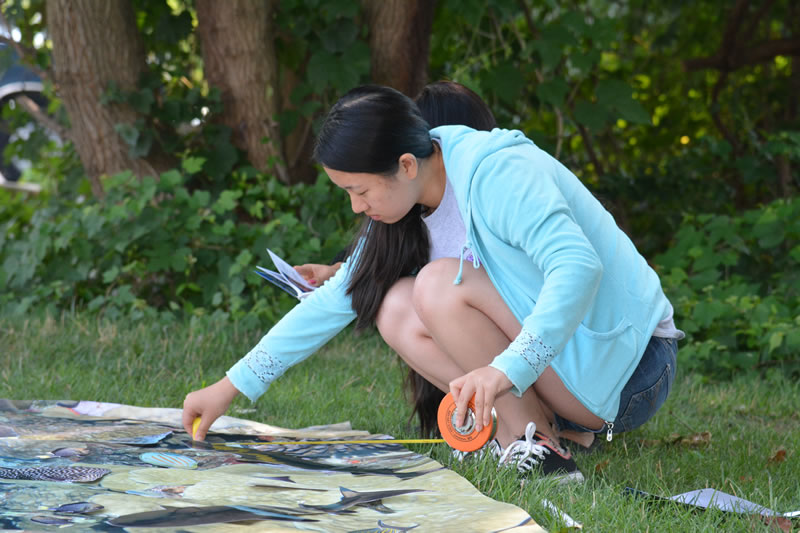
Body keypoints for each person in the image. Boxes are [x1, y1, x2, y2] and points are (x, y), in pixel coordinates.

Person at [183, 85, 684, 483]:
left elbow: (578, 268)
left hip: (631, 370)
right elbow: (336, 300)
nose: (356, 206)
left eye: (360, 190)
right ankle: (533, 437)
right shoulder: (407, 202)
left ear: (406, 165)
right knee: (392, 305)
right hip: (563, 366)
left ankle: (533, 441)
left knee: (437, 285)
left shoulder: (497, 171)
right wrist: (230, 387)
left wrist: (506, 370)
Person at [293, 81, 498, 438]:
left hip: (518, 361)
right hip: (469, 369)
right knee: (406, 299)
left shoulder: (487, 196)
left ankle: (517, 422)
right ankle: (478, 422)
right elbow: (378, 265)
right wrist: (339, 271)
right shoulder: (402, 206)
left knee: (436, 287)